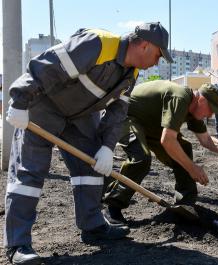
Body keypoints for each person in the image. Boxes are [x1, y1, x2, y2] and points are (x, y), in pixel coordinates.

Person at [4, 22, 172, 264]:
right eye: (158, 55)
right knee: (28, 174)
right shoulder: (97, 44)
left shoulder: (131, 73)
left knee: (91, 168)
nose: (157, 62)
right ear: (145, 45)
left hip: (81, 117)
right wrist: (20, 100)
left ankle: (92, 226)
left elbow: (117, 113)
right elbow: (46, 66)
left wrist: (106, 146)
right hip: (44, 107)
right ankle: (18, 244)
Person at [102, 81, 218, 224]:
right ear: (202, 100)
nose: (210, 115)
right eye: (210, 110)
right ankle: (112, 208)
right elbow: (167, 141)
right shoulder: (180, 98)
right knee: (141, 158)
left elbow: (206, 141)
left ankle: (185, 206)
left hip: (150, 123)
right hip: (124, 115)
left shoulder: (194, 109)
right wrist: (192, 168)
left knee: (184, 148)